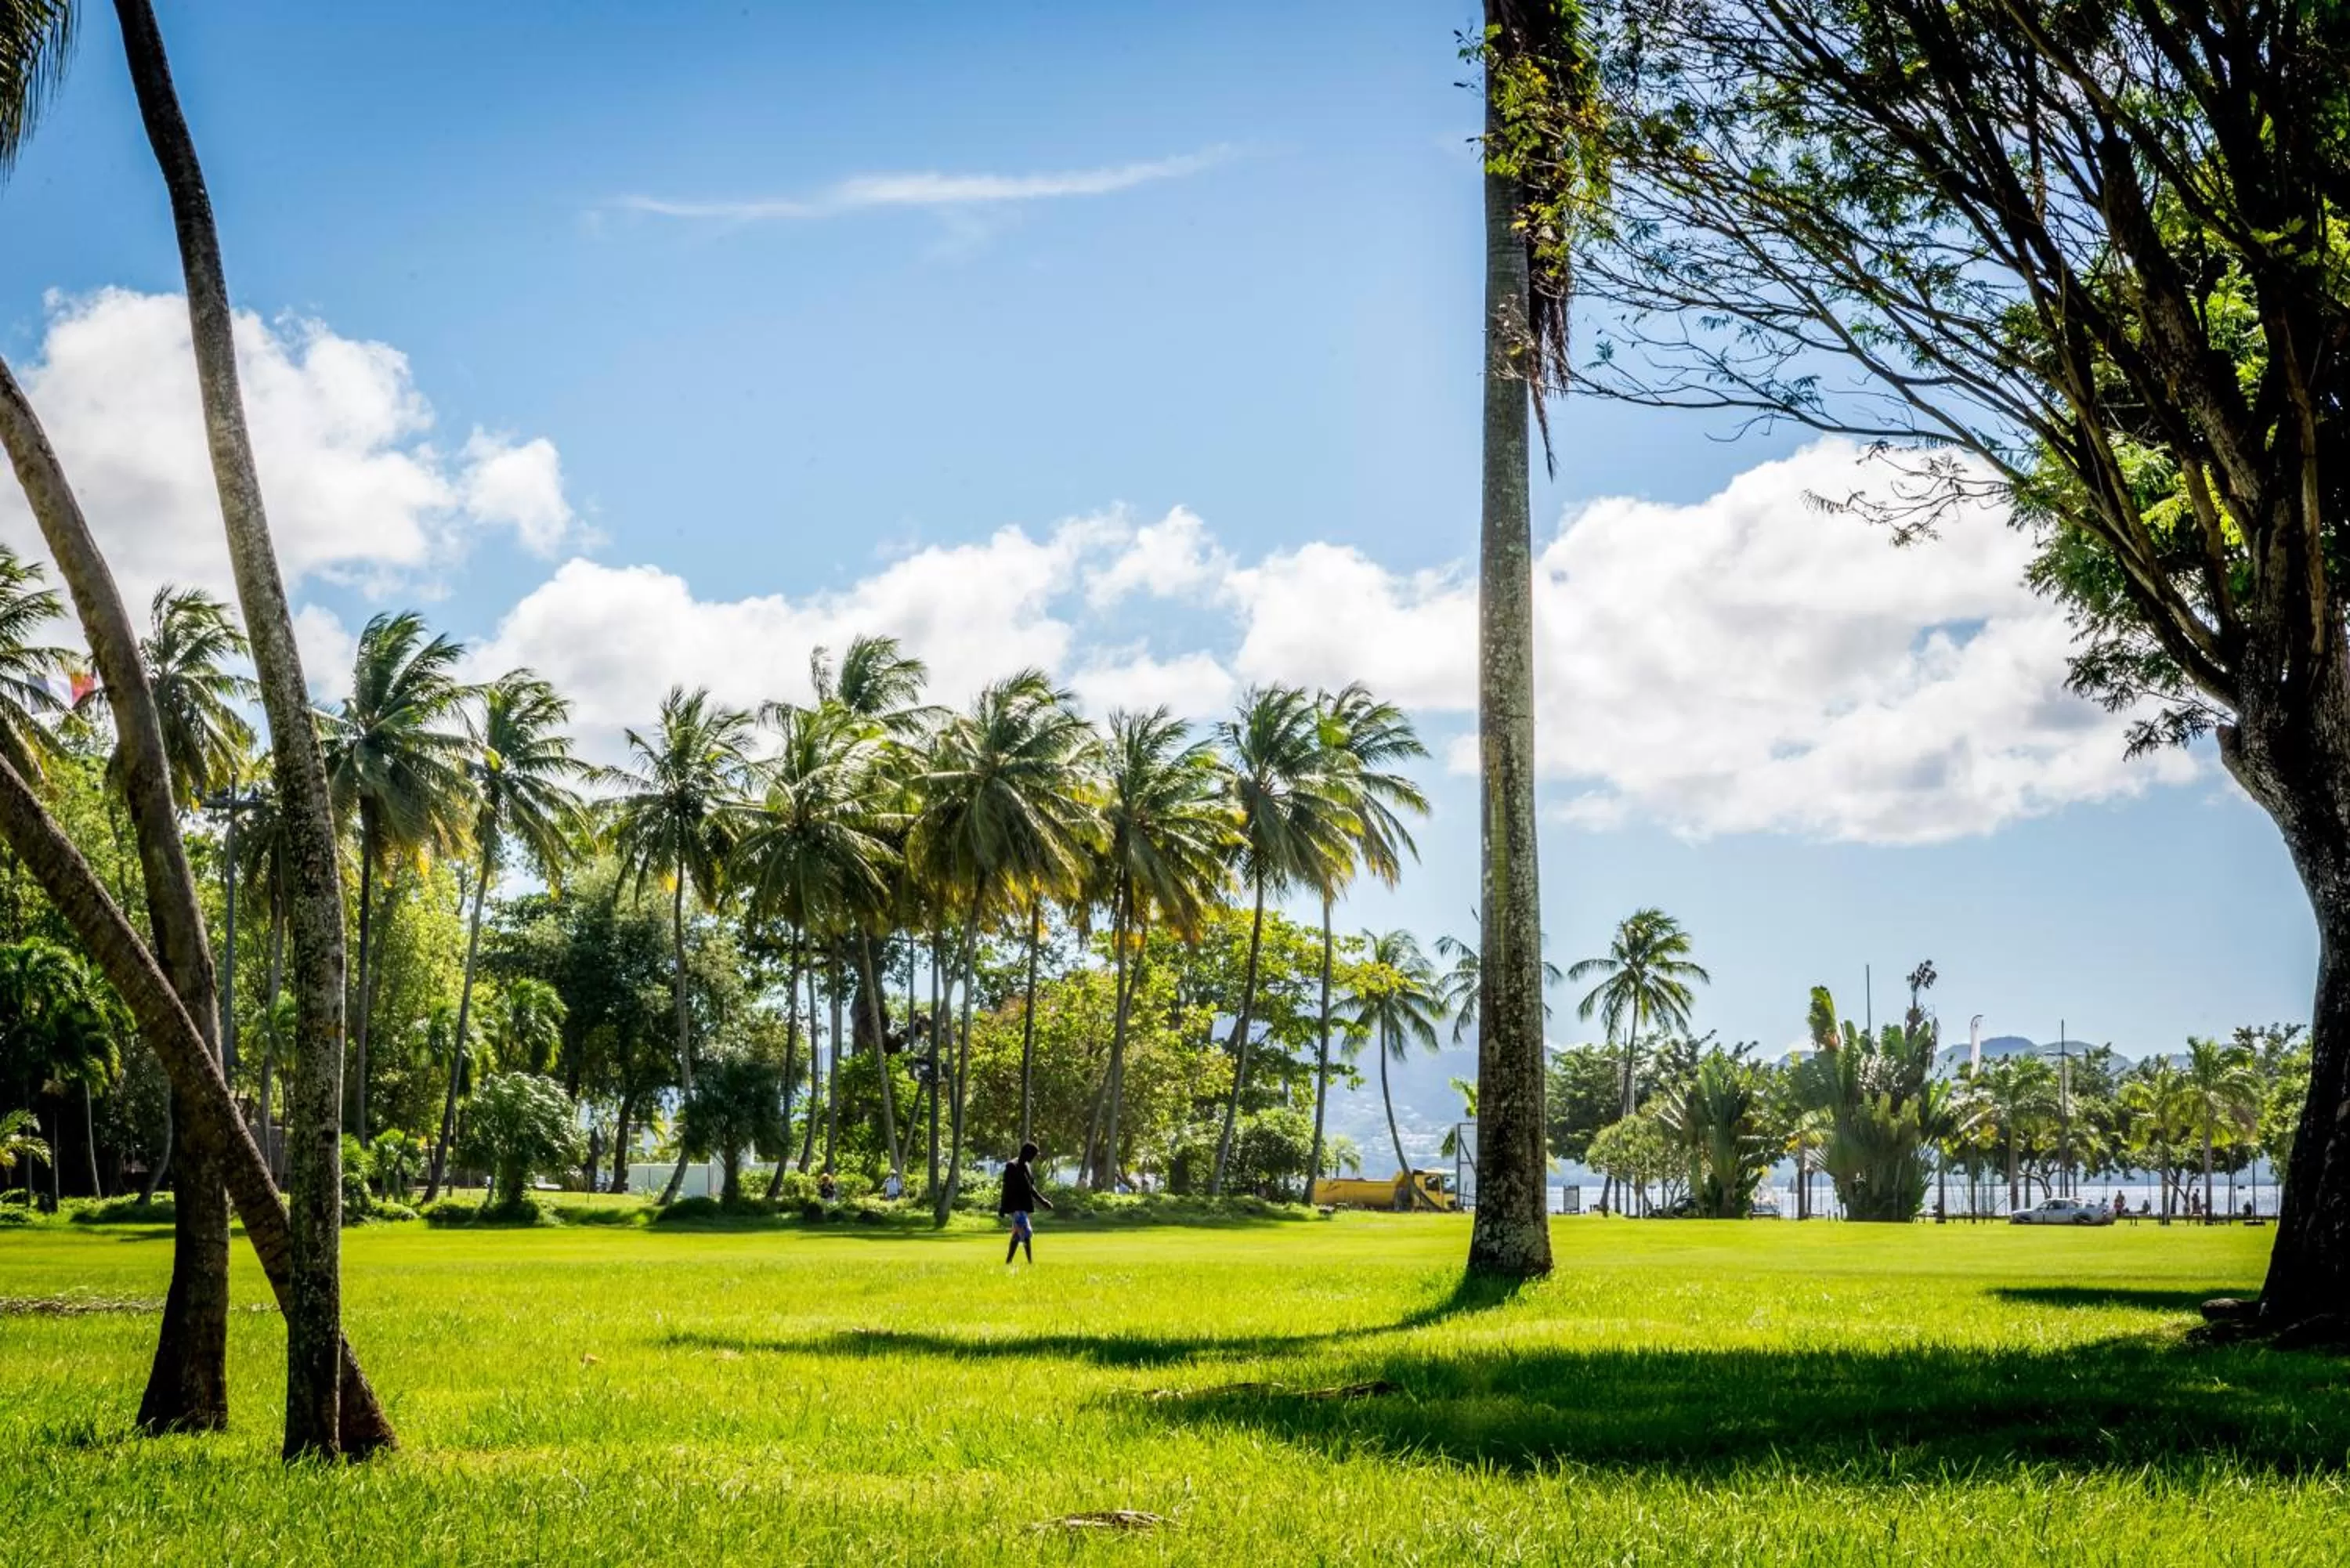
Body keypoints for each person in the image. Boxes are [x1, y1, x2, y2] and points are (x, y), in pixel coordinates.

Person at [1000, 1140, 1053, 1265]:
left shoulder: (1027, 1166)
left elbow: (1031, 1188)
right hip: (1015, 1205)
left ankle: (1008, 1262)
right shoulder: (1011, 1166)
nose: (1034, 1158)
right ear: (1026, 1153)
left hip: (1023, 1205)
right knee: (1026, 1232)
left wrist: (1043, 1201)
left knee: (1018, 1235)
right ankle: (1030, 1262)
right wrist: (1003, 1207)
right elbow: (1006, 1188)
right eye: (1033, 1155)